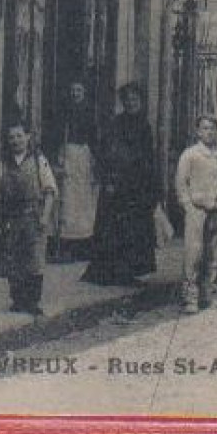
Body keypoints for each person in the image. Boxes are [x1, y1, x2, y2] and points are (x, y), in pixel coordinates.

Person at [83, 83, 160, 286]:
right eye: (128, 100)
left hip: (138, 186)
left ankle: (131, 272)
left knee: (135, 230)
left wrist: (151, 186)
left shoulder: (145, 126)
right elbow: (106, 153)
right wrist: (108, 179)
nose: (131, 103)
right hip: (117, 185)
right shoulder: (115, 125)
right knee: (114, 229)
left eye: (135, 100)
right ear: (123, 103)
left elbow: (148, 157)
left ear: (141, 102)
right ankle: (112, 273)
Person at [0, 121, 57, 316]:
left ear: (28, 137)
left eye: (19, 136)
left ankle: (33, 301)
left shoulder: (38, 160)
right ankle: (18, 299)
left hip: (33, 215)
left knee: (34, 258)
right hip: (11, 216)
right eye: (11, 137)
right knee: (14, 258)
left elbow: (50, 190)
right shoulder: (4, 163)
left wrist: (45, 217)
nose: (16, 141)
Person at [175, 115, 217, 314]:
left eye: (213, 128)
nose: (209, 132)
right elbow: (181, 185)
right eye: (205, 128)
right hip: (197, 210)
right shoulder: (190, 155)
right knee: (194, 254)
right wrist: (188, 207)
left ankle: (209, 294)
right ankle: (190, 297)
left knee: (214, 253)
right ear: (198, 131)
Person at [51, 80, 99, 261]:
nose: (75, 93)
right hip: (67, 154)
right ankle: (65, 243)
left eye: (78, 90)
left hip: (83, 158)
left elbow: (93, 137)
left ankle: (83, 244)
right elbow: (57, 137)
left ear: (84, 93)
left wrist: (94, 161)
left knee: (83, 202)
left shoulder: (88, 113)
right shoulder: (63, 113)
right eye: (72, 90)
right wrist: (59, 159)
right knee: (67, 201)